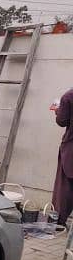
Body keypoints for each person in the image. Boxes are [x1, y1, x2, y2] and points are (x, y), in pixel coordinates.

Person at [53, 87, 73, 225]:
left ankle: (58, 222)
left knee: (65, 187)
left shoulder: (68, 96)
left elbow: (62, 120)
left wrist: (57, 110)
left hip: (71, 148)